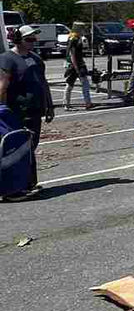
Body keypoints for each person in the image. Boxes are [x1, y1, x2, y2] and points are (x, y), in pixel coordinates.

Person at [0, 25, 54, 197]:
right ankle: (16, 187)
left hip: (35, 111)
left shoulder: (36, 59)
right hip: (16, 111)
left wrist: (50, 105)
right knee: (17, 149)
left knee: (30, 147)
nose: (33, 42)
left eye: (34, 39)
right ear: (18, 39)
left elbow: (43, 83)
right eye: (29, 39)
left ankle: (28, 183)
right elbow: (3, 86)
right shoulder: (7, 59)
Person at [64, 24, 94, 110]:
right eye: (82, 28)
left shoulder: (73, 38)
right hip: (76, 65)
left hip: (75, 64)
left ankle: (67, 104)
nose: (83, 30)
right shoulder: (74, 39)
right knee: (81, 84)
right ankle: (87, 103)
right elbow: (72, 54)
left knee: (71, 84)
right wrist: (76, 67)